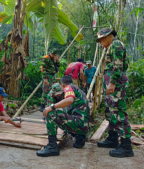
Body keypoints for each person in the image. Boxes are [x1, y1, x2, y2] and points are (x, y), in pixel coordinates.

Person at [96, 28, 133, 158]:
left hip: (116, 85)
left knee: (118, 113)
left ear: (108, 36)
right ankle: (112, 139)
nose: (101, 43)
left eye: (101, 40)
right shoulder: (111, 47)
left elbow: (118, 65)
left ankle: (126, 147)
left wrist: (112, 82)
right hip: (112, 84)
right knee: (110, 112)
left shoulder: (116, 44)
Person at [37, 76, 90, 157]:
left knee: (51, 113)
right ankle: (80, 138)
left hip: (78, 123)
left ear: (63, 85)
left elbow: (69, 100)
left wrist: (52, 107)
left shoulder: (68, 87)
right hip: (83, 125)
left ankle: (52, 146)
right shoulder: (77, 89)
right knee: (64, 113)